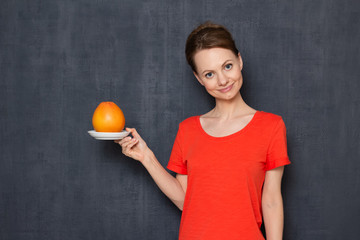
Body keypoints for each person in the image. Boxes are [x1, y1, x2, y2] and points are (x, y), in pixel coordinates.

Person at [115, 21, 291, 240]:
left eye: (227, 66)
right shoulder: (188, 130)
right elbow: (184, 200)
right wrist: (146, 157)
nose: (223, 80)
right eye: (209, 74)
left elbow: (272, 201)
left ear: (239, 60)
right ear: (198, 79)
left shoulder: (271, 126)